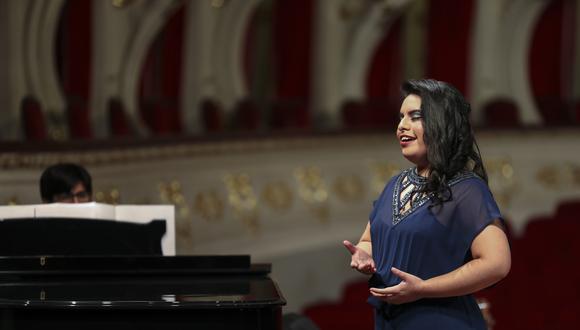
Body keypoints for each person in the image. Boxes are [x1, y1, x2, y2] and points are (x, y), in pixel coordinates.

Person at [343, 79, 511, 329]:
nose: (401, 126)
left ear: (441, 123)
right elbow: (369, 240)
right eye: (400, 117)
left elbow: (496, 264)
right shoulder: (394, 184)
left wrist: (423, 289)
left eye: (414, 116)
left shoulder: (467, 190)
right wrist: (365, 255)